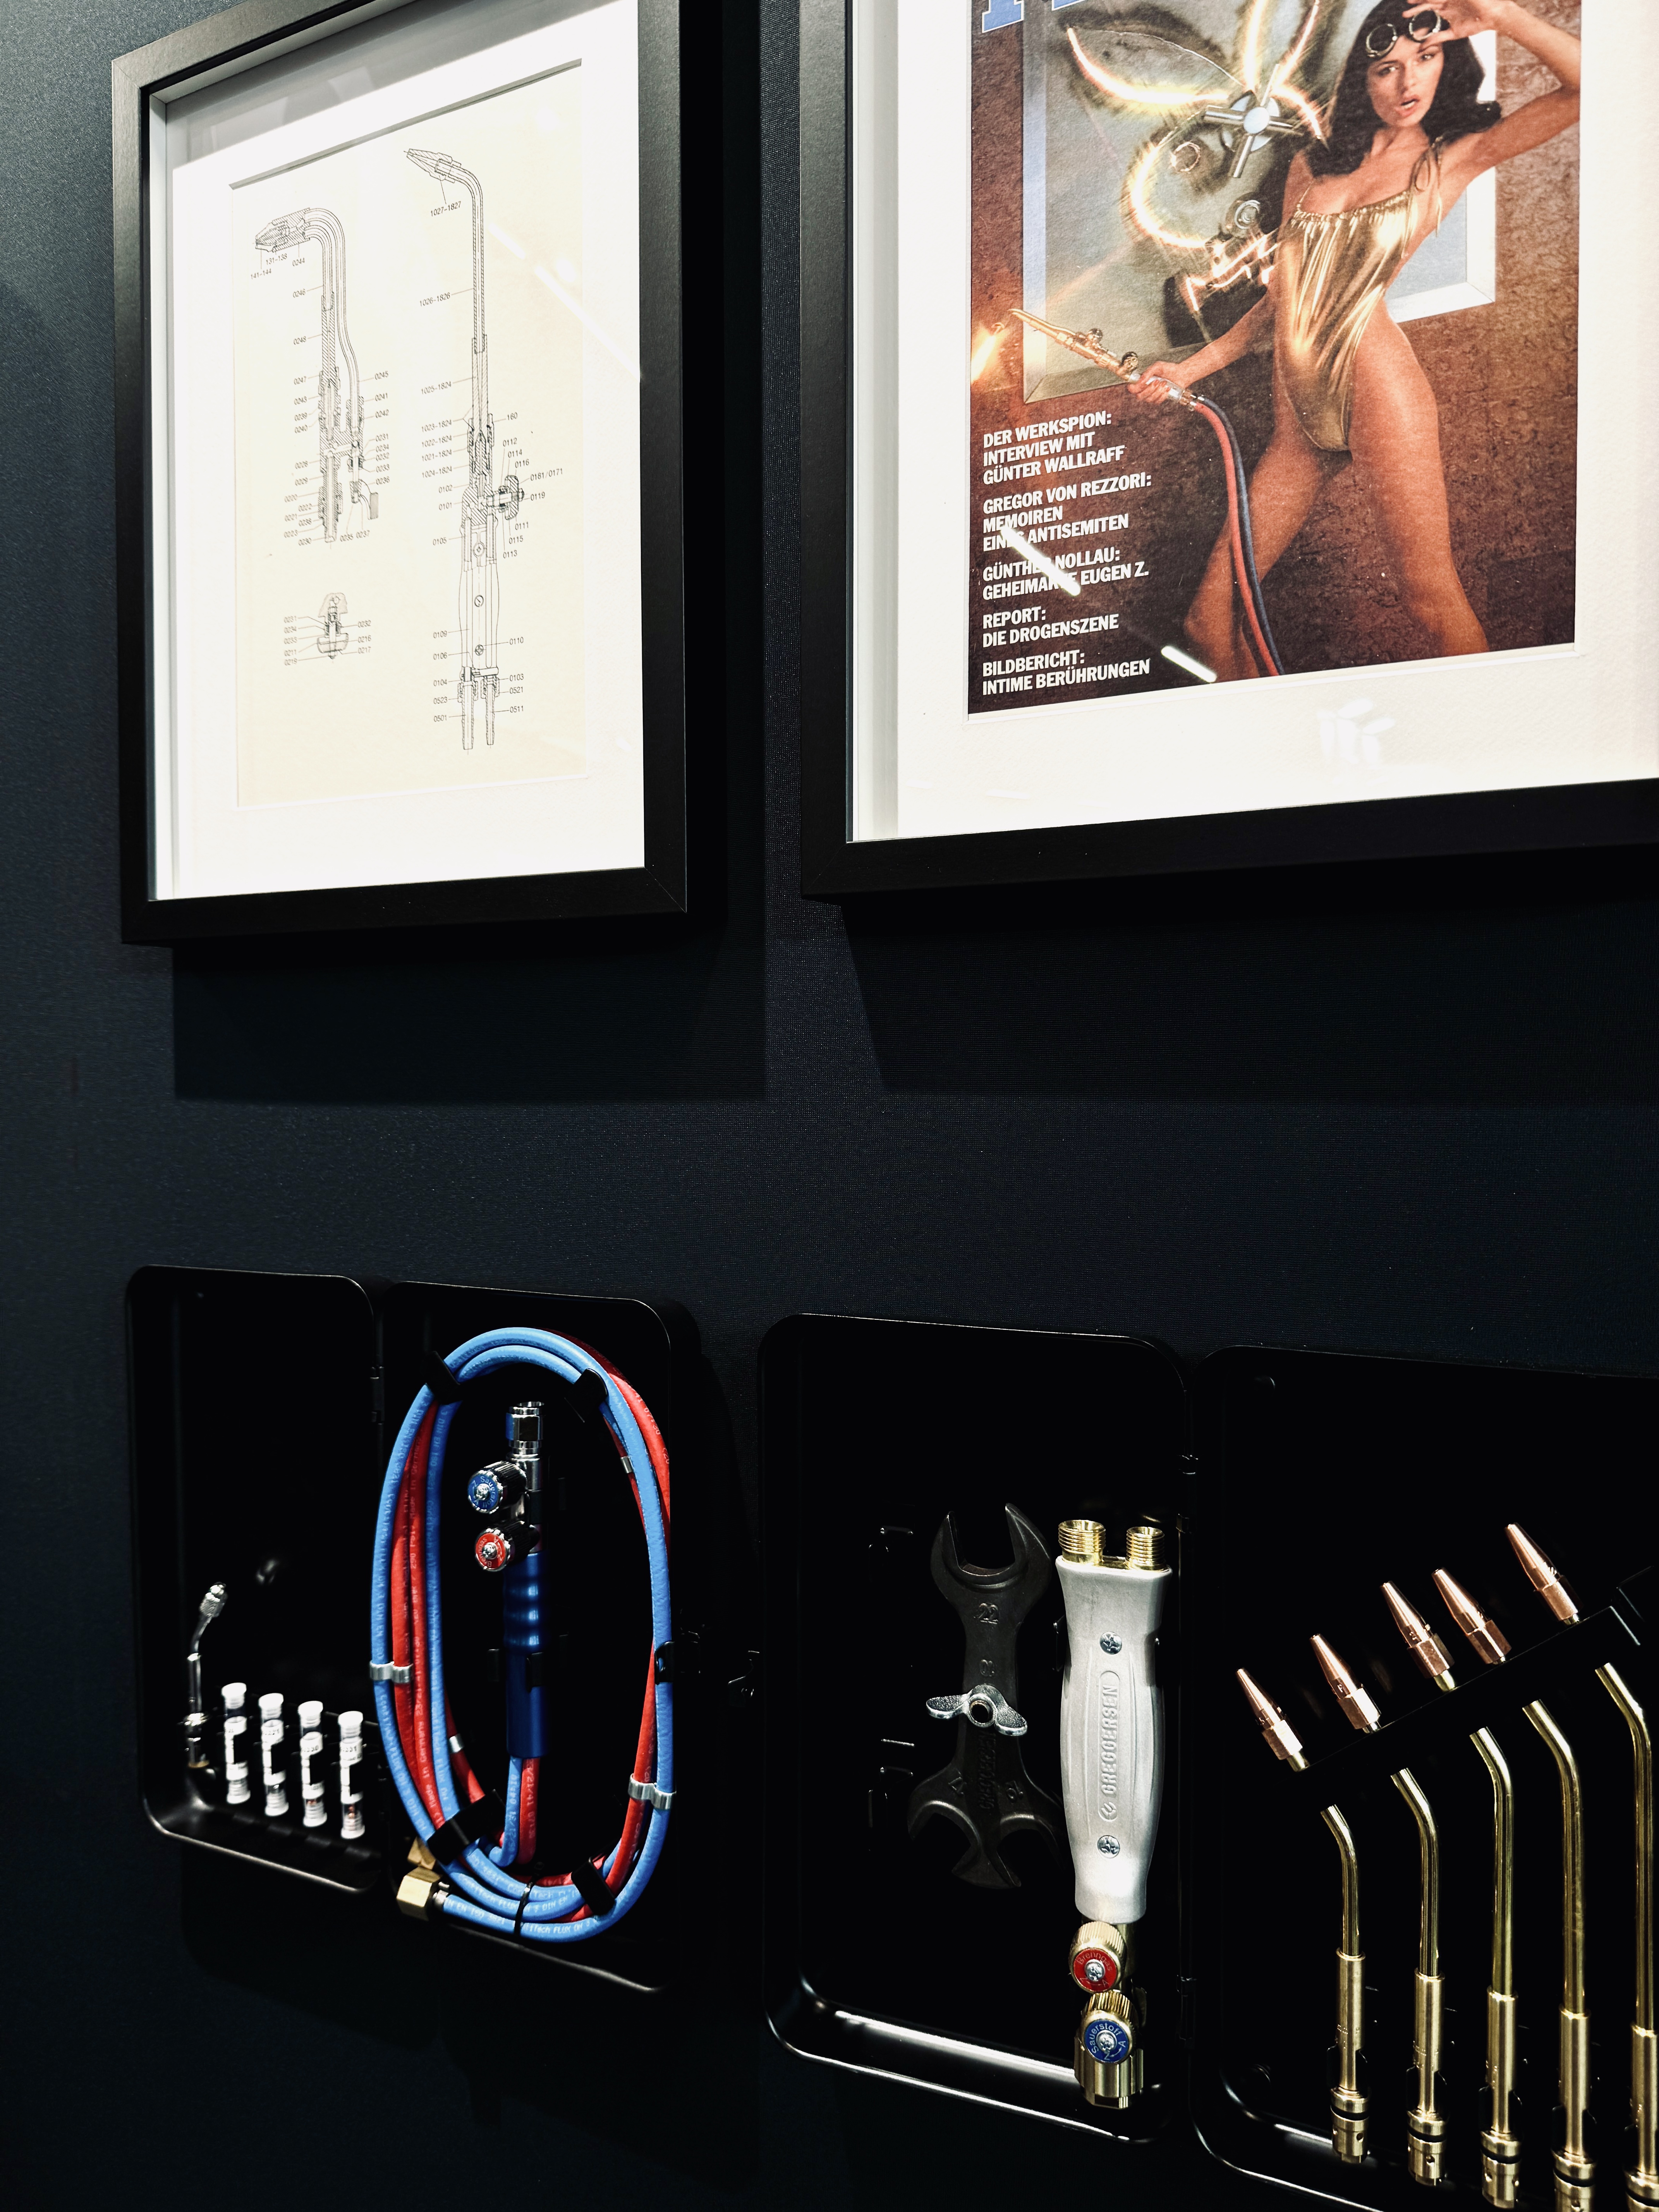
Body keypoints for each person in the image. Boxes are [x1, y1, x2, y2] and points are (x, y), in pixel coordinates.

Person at [1129, 2, 1580, 680]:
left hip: (1376, 383)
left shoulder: (1451, 158)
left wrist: (1501, 16)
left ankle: (1491, 734)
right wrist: (1189, 370)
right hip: (1298, 412)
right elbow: (1281, 302)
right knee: (1209, 618)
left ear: (1446, 62)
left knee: (1429, 597)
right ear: (1362, 80)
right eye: (1387, 68)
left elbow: (1586, 87)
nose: (1408, 83)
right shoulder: (1311, 167)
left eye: (1424, 59)